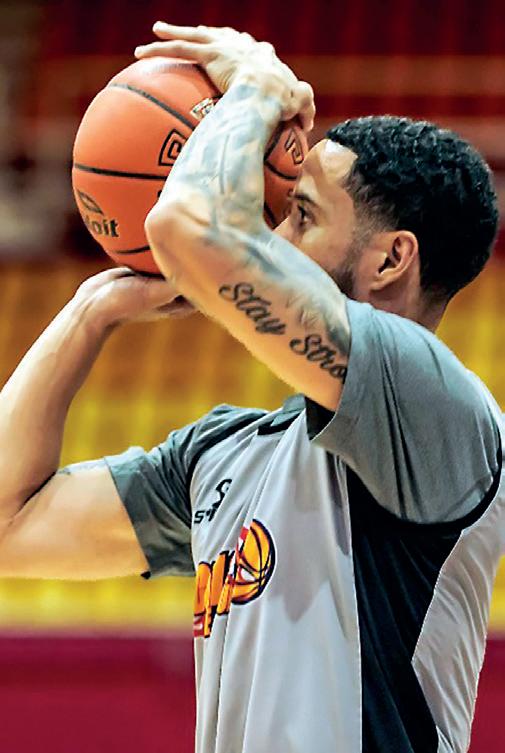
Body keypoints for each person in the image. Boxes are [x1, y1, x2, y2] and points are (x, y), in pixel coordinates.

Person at [0, 23, 503, 753]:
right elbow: (8, 527)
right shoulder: (224, 454)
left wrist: (258, 89)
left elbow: (191, 227)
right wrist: (92, 310)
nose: (273, 232)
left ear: (391, 260)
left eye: (301, 214)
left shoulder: (434, 405)